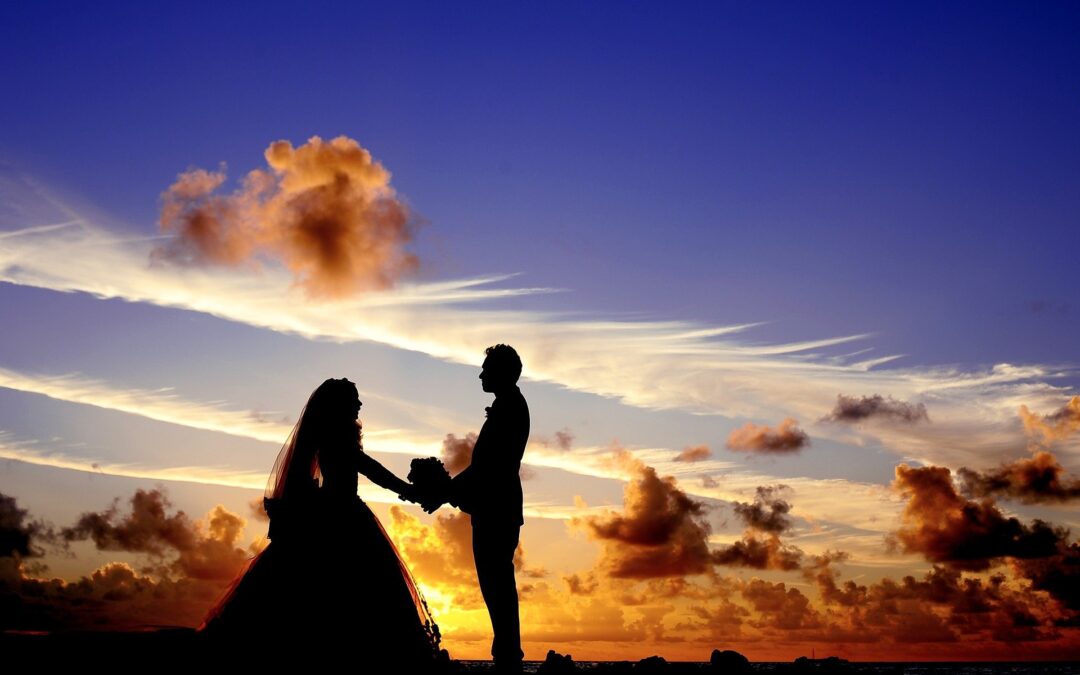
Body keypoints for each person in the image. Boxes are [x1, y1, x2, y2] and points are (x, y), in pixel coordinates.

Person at [199, 378, 441, 666]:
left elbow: (368, 468)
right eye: (354, 399)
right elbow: (370, 469)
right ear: (340, 405)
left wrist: (408, 489)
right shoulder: (336, 436)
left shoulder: (335, 434)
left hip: (338, 514)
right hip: (342, 518)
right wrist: (409, 489)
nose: (360, 404)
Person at [421, 344, 529, 674]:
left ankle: (509, 657)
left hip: (497, 508)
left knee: (497, 583)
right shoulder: (507, 406)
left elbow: (489, 467)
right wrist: (449, 490)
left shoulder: (509, 408)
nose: (481, 374)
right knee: (495, 584)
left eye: (486, 368)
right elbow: (485, 467)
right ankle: (507, 653)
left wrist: (446, 490)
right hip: (495, 506)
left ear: (503, 372)